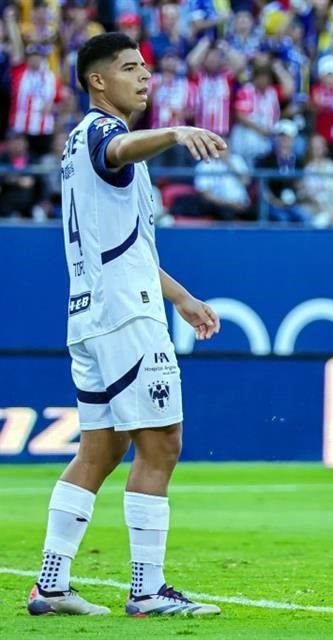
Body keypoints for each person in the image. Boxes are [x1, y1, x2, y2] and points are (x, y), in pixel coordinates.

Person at [27, 32, 224, 617]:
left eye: (145, 68)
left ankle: (52, 583)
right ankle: (147, 588)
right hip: (125, 316)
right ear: (97, 81)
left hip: (94, 313)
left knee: (102, 448)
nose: (144, 77)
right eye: (130, 68)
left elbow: (130, 246)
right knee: (162, 442)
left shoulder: (86, 144)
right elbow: (119, 151)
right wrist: (173, 133)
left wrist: (184, 298)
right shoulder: (100, 133)